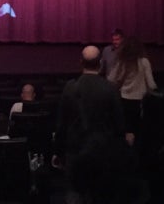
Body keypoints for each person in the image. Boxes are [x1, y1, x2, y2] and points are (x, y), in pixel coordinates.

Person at [54, 45, 127, 201]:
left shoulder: (70, 88)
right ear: (100, 63)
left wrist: (58, 151)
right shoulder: (110, 88)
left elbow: (61, 124)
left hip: (76, 151)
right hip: (103, 152)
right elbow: (119, 125)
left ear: (81, 62)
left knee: (75, 194)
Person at [107, 36, 157, 143]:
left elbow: (111, 79)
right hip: (140, 102)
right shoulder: (144, 62)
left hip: (123, 100)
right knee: (138, 132)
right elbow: (151, 84)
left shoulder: (121, 62)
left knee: (124, 133)